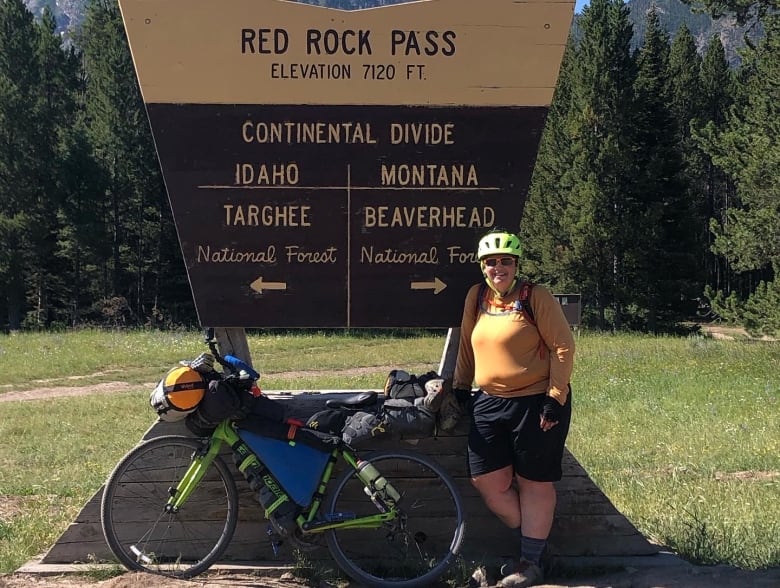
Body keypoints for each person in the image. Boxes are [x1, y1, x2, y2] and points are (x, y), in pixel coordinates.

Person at [453, 228, 575, 588]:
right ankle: (535, 542)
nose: (499, 268)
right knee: (487, 480)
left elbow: (563, 347)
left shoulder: (535, 296)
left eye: (506, 261)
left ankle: (530, 561)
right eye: (491, 262)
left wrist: (555, 396)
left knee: (534, 482)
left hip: (535, 400)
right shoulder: (477, 297)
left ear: (516, 264)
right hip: (488, 401)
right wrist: (461, 386)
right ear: (482, 267)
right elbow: (465, 343)